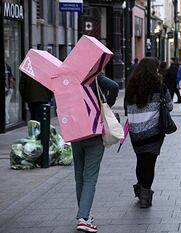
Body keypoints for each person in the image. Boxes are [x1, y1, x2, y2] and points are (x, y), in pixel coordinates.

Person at [72, 72, 119, 232]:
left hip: (75, 130)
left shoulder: (72, 75)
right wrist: (104, 106)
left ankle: (84, 213)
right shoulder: (94, 75)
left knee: (79, 175)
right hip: (93, 128)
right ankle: (83, 218)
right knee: (90, 177)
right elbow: (114, 86)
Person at [126, 57, 173, 208]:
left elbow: (127, 107)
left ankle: (140, 190)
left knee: (140, 160)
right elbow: (170, 106)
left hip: (135, 132)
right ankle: (145, 197)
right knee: (149, 163)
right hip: (153, 133)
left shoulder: (131, 86)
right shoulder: (159, 86)